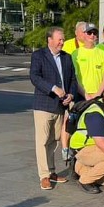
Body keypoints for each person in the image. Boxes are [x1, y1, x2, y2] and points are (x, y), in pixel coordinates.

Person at [29, 26, 81, 190]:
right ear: (49, 40)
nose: (62, 42)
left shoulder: (67, 57)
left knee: (55, 139)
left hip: (61, 106)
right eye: (59, 39)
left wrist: (71, 95)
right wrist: (53, 88)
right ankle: (44, 175)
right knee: (43, 141)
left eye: (63, 39)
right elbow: (35, 77)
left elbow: (73, 79)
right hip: (44, 104)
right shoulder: (39, 55)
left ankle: (51, 171)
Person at [72, 23, 104, 101]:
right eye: (89, 33)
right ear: (84, 34)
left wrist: (98, 94)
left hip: (99, 95)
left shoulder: (102, 53)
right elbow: (74, 78)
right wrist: (86, 95)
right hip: (81, 95)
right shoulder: (76, 53)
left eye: (94, 33)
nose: (92, 35)